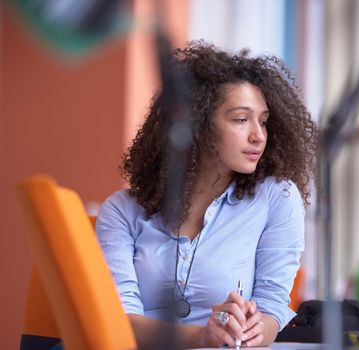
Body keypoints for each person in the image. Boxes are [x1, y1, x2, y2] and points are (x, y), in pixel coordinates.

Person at [96, 41, 318, 349]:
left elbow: (272, 307)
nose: (259, 135)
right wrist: (202, 336)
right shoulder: (121, 211)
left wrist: (255, 329)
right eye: (241, 119)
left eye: (264, 121)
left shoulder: (276, 198)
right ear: (196, 125)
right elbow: (116, 320)